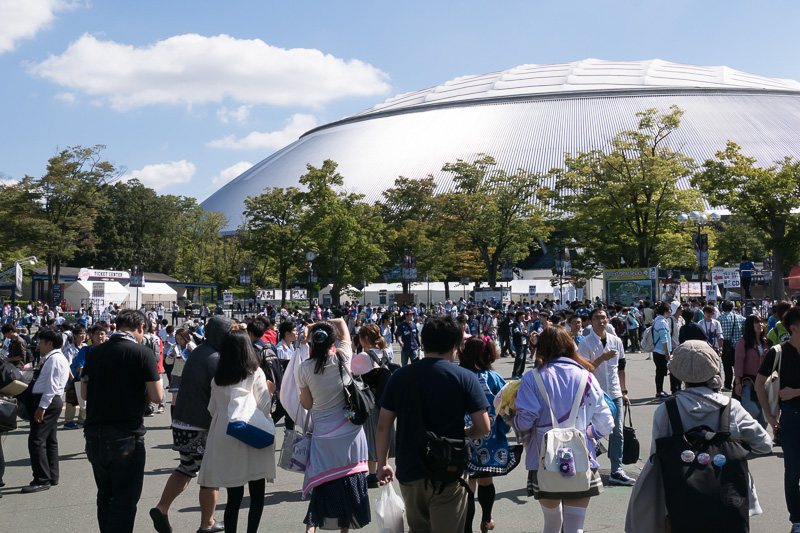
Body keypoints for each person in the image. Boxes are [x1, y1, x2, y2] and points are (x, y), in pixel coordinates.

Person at [625, 340, 772, 532]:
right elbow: (764, 444)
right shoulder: (731, 407)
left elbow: (658, 459)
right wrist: (734, 452)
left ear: (677, 371)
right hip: (729, 499)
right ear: (714, 367)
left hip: (682, 501)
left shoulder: (666, 410)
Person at [376, 316, 490, 533]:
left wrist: (382, 463)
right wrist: (465, 432)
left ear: (423, 341)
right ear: (455, 345)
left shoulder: (399, 376)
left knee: (418, 527)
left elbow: (383, 426)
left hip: (410, 466)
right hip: (449, 466)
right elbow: (483, 427)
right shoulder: (465, 377)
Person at [515, 326, 614, 533]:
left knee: (551, 523)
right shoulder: (586, 376)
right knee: (575, 526)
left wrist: (510, 417)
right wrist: (588, 434)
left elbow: (524, 423)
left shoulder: (531, 378)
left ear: (541, 348)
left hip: (543, 459)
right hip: (581, 458)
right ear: (570, 346)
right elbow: (606, 422)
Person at [150, 316, 235, 533]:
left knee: (186, 467)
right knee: (210, 475)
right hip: (201, 425)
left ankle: (162, 507)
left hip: (182, 422)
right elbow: (222, 394)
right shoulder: (216, 358)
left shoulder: (199, 351)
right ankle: (207, 523)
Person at [81, 310, 163, 532]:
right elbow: (157, 396)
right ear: (141, 327)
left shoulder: (95, 352)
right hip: (126, 433)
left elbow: (84, 393)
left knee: (105, 494)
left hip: (94, 433)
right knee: (125, 498)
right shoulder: (142, 353)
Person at [199, 328, 276, 533]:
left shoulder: (218, 378)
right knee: (257, 493)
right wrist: (270, 392)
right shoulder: (255, 373)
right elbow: (264, 408)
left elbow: (212, 409)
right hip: (252, 433)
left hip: (225, 435)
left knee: (233, 496)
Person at [298, 319, 371, 532]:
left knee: (322, 487)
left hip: (323, 435)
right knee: (349, 485)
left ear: (313, 341)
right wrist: (318, 324)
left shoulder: (304, 368)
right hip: (350, 432)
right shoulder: (343, 356)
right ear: (333, 340)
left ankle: (310, 528)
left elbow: (307, 404)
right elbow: (342, 325)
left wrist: (309, 329)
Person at [459, 336, 521, 533]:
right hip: (490, 437)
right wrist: (504, 429)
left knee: (467, 484)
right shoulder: (494, 378)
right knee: (486, 480)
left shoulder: (459, 375)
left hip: (462, 435)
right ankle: (486, 519)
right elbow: (504, 406)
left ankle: (466, 528)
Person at [578, 308, 634, 486]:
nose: (601, 321)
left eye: (603, 317)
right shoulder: (585, 343)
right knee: (588, 432)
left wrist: (624, 392)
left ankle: (616, 470)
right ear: (590, 321)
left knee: (617, 432)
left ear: (608, 320)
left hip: (615, 393)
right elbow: (585, 370)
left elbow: (621, 368)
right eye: (596, 318)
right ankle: (585, 467)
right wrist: (602, 358)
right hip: (594, 394)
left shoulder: (616, 341)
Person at [756, 306, 800, 531]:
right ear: (794, 328)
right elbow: (759, 383)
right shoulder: (778, 352)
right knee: (792, 473)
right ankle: (797, 520)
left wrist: (795, 392)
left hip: (792, 408)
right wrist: (769, 416)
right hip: (791, 417)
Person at [351, 323, 394, 489]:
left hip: (368, 400)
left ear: (365, 339)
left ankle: (373, 474)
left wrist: (353, 350)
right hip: (384, 399)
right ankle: (383, 465)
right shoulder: (385, 352)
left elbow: (350, 372)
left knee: (370, 435)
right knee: (383, 433)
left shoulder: (363, 356)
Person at [734, 314, 769, 428]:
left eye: (761, 322)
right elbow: (739, 362)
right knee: (752, 411)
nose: (760, 324)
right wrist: (738, 383)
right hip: (748, 383)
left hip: (764, 384)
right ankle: (748, 433)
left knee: (764, 415)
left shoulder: (766, 342)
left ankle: (759, 434)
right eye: (756, 322)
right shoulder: (743, 342)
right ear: (750, 325)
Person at [652, 302, 680, 398]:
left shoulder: (658, 320)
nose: (670, 312)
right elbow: (664, 339)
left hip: (657, 350)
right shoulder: (662, 323)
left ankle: (660, 390)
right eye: (669, 310)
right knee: (660, 372)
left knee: (660, 372)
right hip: (661, 351)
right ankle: (659, 391)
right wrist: (667, 352)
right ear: (666, 311)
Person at [719, 300, 746, 391]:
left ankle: (727, 385)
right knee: (738, 366)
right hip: (738, 346)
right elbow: (747, 323)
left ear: (722, 308)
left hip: (725, 346)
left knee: (727, 367)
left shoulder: (719, 319)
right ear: (732, 308)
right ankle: (737, 383)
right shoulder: (740, 318)